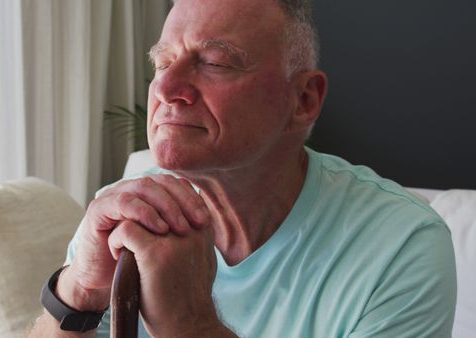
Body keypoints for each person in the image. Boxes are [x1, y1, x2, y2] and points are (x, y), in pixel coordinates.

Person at [29, 0, 456, 336]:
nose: (163, 87)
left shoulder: (400, 245)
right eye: (161, 62)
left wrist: (190, 326)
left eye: (215, 62)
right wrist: (79, 291)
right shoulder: (129, 207)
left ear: (303, 99)